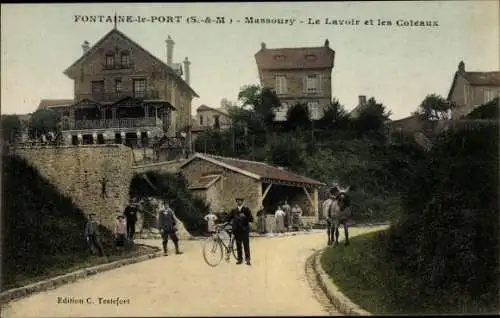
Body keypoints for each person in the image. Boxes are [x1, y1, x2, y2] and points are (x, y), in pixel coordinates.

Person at [228, 198, 253, 265]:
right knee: (238, 245)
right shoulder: (234, 211)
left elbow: (251, 219)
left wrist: (245, 218)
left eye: (240, 201)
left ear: (242, 202)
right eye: (237, 201)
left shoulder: (246, 210)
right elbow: (229, 218)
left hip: (244, 231)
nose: (239, 202)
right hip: (237, 231)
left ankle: (247, 259)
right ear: (236, 202)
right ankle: (240, 259)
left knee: (246, 245)